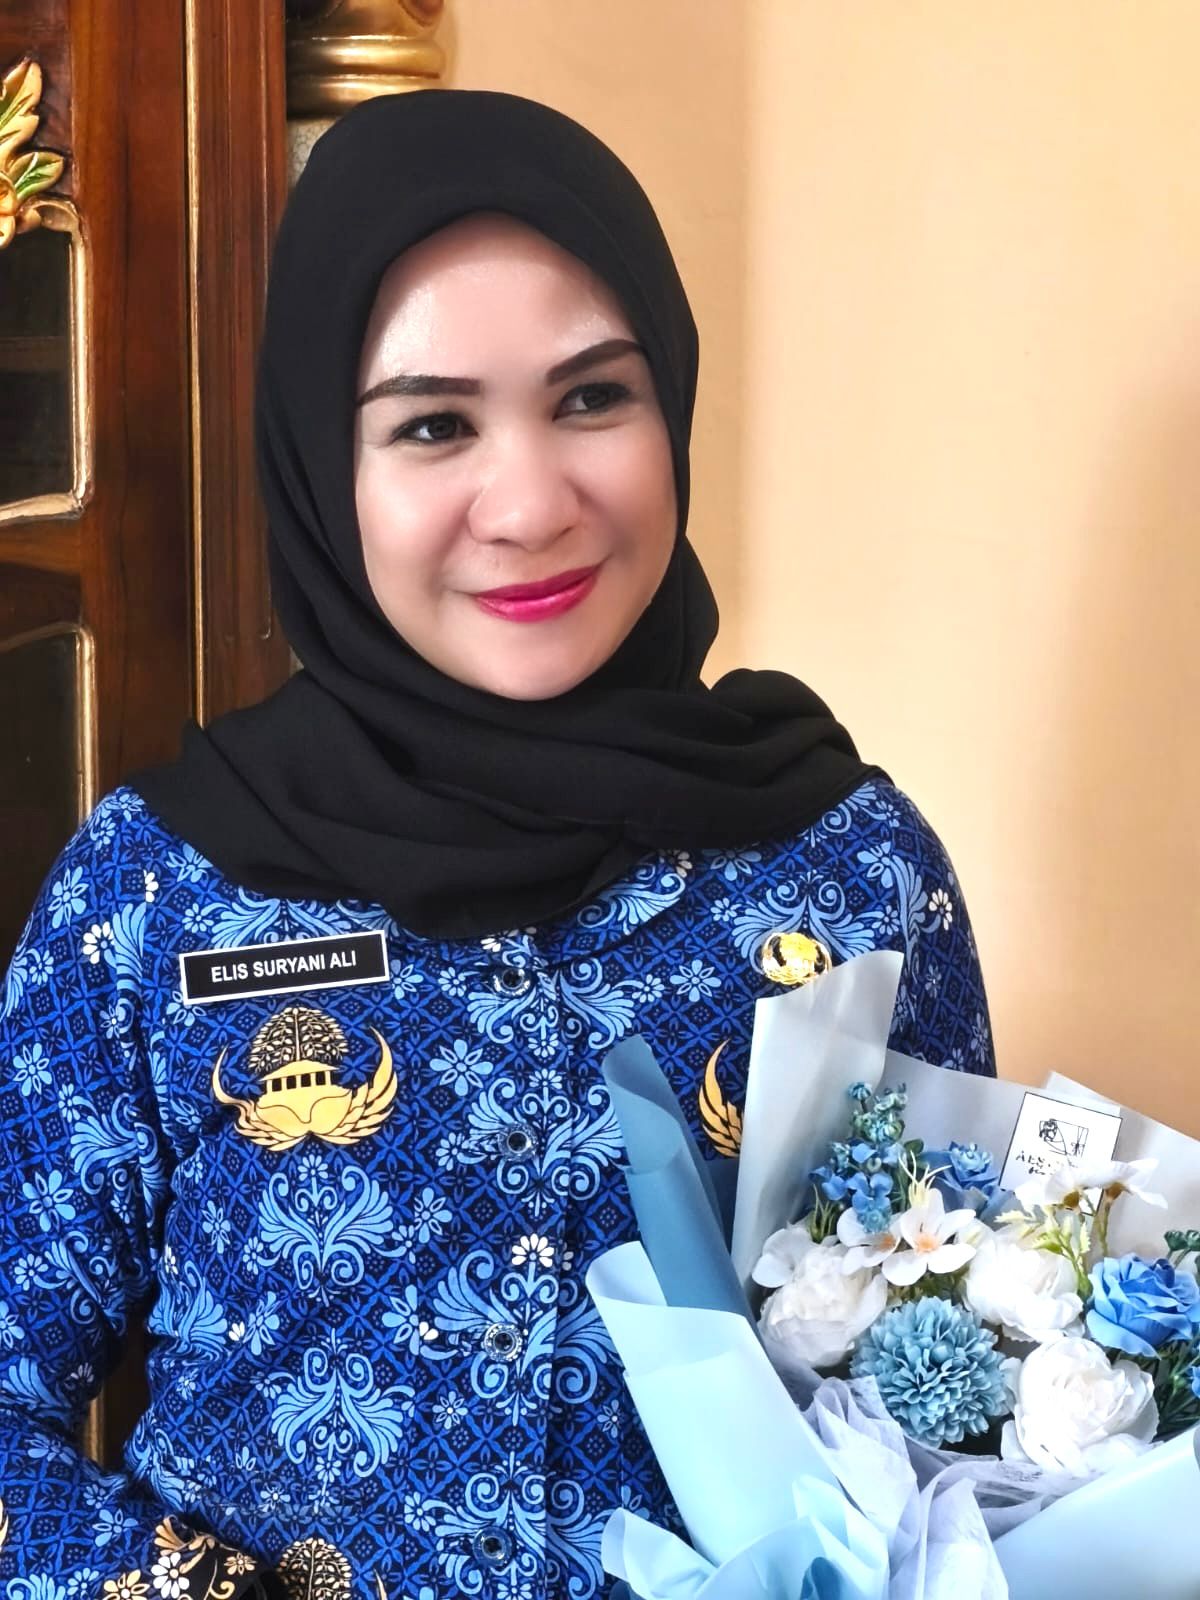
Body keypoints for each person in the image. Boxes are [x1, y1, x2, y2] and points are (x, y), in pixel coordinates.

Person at [0, 89, 993, 1598]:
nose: (529, 505)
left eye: (593, 399)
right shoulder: (155, 895)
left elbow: (965, 1388)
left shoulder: (854, 873)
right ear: (320, 465)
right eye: (432, 425)